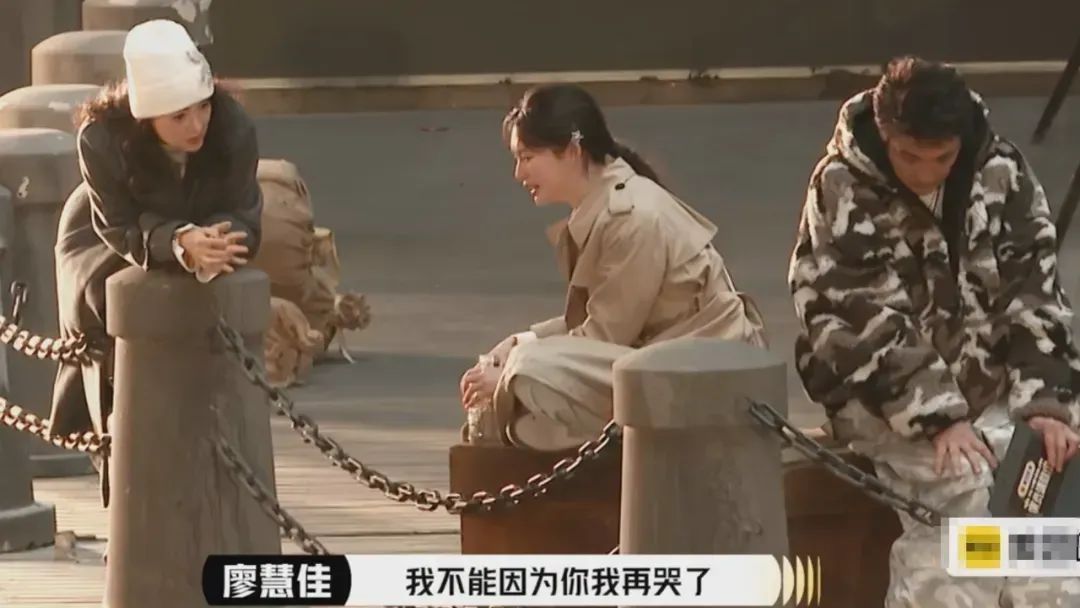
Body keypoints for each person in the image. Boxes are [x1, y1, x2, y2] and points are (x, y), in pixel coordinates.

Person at [789, 56, 1080, 606]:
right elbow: (855, 317)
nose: (925, 173)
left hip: (990, 383)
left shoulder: (1002, 172)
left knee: (1046, 505)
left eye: (942, 158)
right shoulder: (842, 185)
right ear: (885, 133)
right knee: (961, 508)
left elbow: (1035, 290)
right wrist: (939, 417)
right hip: (886, 396)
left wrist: (1045, 401)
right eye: (909, 156)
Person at [459, 83, 767, 451]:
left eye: (527, 157)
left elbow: (605, 337)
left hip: (708, 371)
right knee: (520, 398)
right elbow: (598, 321)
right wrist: (517, 342)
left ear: (571, 151)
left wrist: (511, 370)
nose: (518, 173)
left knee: (529, 371)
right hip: (667, 361)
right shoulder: (606, 204)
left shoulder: (631, 216)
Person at [49, 19, 263, 507]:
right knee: (110, 327)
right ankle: (119, 471)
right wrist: (176, 241)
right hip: (107, 240)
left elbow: (244, 208)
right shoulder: (102, 138)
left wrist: (215, 239)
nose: (197, 125)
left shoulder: (232, 126)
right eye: (179, 116)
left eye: (203, 107)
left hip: (207, 231)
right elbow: (117, 223)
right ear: (148, 117)